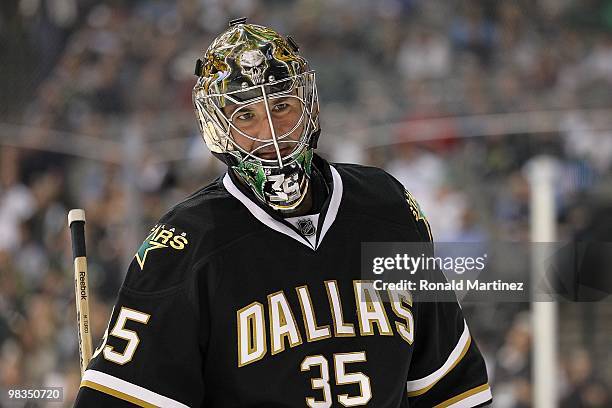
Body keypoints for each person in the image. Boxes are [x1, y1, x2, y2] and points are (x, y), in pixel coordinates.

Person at [74, 19, 492, 407]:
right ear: (218, 128)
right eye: (246, 115)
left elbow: (452, 388)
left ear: (308, 104)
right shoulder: (184, 247)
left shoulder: (387, 209)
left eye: (281, 105)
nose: (270, 133)